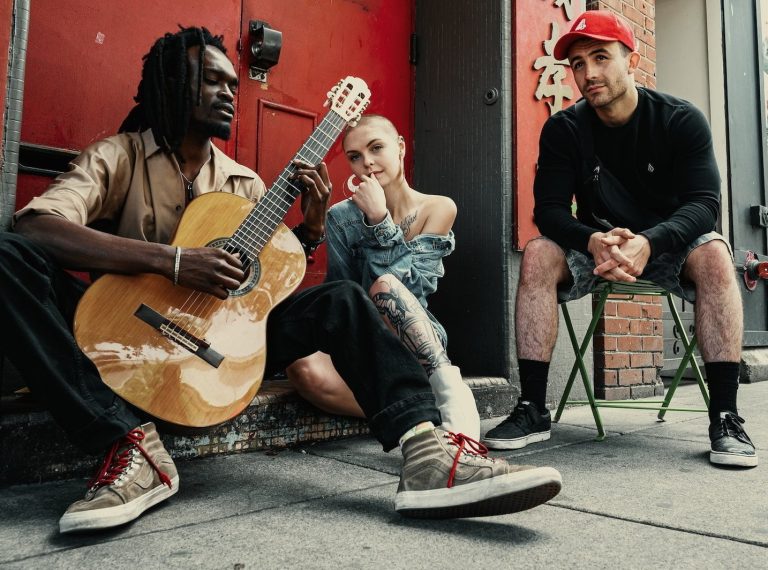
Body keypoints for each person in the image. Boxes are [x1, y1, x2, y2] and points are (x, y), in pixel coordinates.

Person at [0, 26, 563, 534]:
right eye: (211, 81)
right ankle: (128, 446)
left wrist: (313, 230)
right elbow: (37, 226)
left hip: (217, 343)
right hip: (122, 331)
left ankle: (426, 452)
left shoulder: (242, 181)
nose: (229, 92)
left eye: (231, 81)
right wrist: (171, 262)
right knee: (6, 256)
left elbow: (262, 284)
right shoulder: (117, 156)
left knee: (341, 299)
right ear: (171, 84)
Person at [482, 10, 757, 468]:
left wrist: (648, 241)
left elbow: (705, 204)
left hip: (670, 246)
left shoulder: (680, 119)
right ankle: (533, 407)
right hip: (599, 248)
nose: (588, 73)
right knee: (537, 253)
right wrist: (592, 240)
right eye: (577, 64)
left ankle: (725, 415)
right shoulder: (564, 129)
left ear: (631, 61)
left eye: (600, 57)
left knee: (715, 255)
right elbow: (547, 211)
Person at [286, 115, 480, 439]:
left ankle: (451, 401)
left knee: (387, 287)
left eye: (377, 148)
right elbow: (343, 291)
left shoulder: (438, 208)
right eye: (355, 156)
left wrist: (379, 221)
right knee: (303, 369)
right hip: (363, 346)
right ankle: (418, 412)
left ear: (401, 147)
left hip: (414, 342)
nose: (368, 163)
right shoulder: (341, 217)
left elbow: (411, 290)